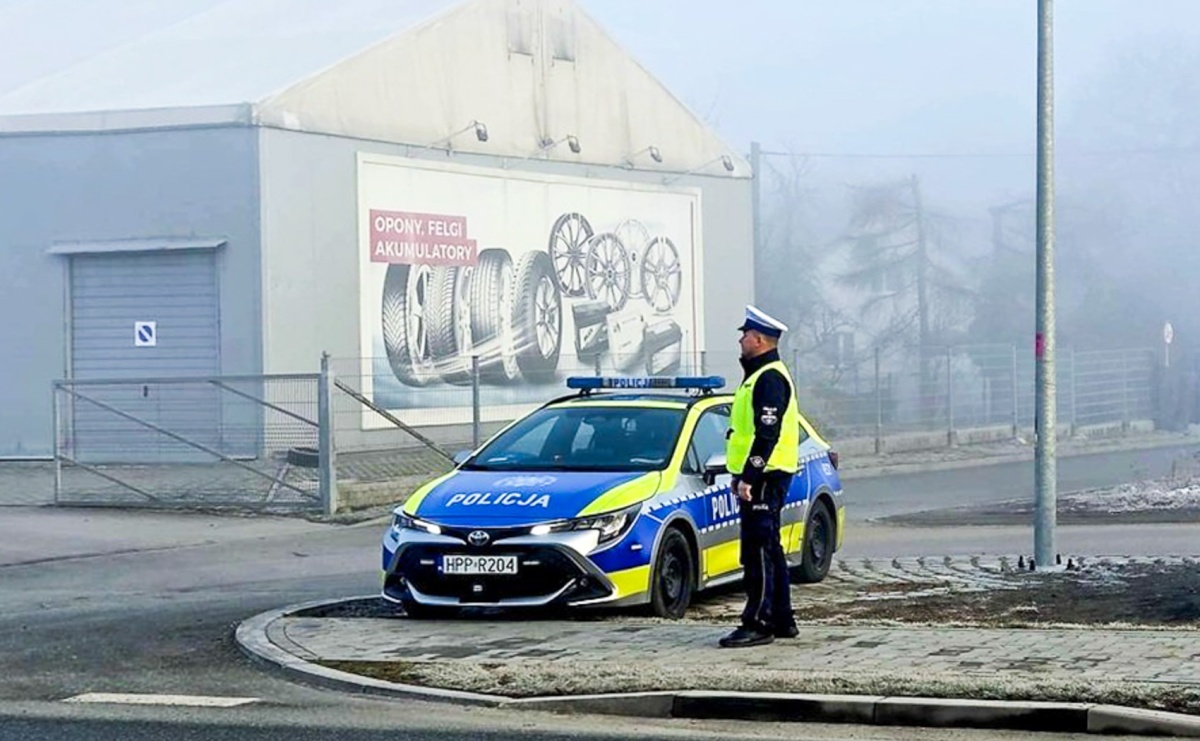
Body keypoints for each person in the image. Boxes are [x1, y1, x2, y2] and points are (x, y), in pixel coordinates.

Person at [719, 305, 801, 648]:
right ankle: (781, 618)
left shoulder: (768, 377)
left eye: (745, 335)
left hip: (765, 477)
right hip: (761, 475)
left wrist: (750, 476)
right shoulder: (759, 374)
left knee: (759, 552)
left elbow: (767, 432)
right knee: (769, 548)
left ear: (759, 339)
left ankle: (759, 621)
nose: (740, 340)